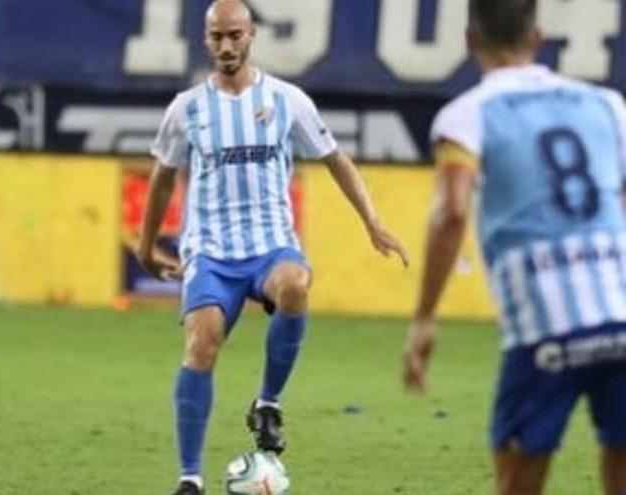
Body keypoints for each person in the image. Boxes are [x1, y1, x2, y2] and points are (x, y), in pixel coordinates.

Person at [138, 1, 409, 493]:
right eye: (217, 36)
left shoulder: (287, 100)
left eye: (235, 35)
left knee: (295, 283)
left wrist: (372, 220)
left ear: (252, 35)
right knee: (200, 347)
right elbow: (161, 180)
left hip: (270, 245)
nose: (226, 45)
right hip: (211, 252)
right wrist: (145, 245)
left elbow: (336, 159)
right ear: (206, 40)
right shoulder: (188, 109)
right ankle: (190, 479)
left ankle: (268, 403)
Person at [402, 0, 626, 494]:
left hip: (544, 329)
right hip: (620, 316)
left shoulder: (465, 117)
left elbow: (452, 212)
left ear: (470, 40)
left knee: (518, 480)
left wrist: (423, 317)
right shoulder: (607, 105)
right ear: (538, 36)